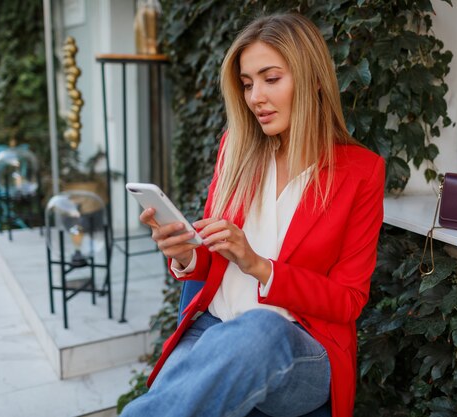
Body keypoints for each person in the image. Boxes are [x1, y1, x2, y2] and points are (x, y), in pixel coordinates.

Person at [120, 12, 385, 417]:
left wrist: (259, 265)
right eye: (247, 84)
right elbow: (211, 257)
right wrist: (184, 253)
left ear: (313, 79)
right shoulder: (237, 149)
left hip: (301, 349)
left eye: (271, 79)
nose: (255, 96)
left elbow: (348, 301)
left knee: (261, 330)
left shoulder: (360, 172)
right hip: (214, 329)